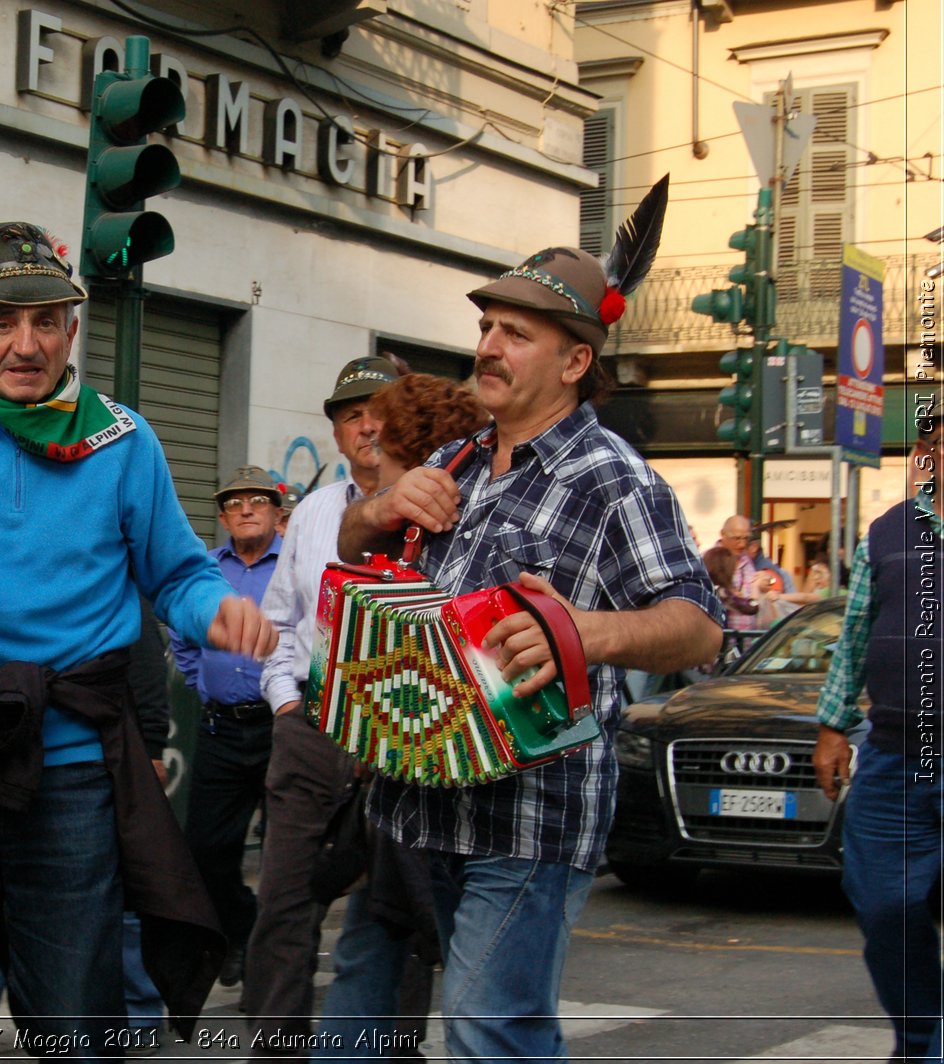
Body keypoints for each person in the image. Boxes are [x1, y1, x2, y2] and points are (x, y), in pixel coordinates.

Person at [0, 221, 275, 1054]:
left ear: (74, 331)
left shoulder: (123, 439)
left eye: (46, 320)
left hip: (74, 771)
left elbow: (178, 574)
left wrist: (215, 612)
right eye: (2, 321)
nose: (26, 343)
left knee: (78, 1016)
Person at [339, 238, 723, 1061]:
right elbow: (353, 557)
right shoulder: (455, 461)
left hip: (530, 819)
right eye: (487, 327)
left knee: (486, 1032)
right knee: (499, 1032)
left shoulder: (614, 479)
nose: (487, 347)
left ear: (576, 359)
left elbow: (700, 624)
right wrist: (375, 511)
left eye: (516, 334)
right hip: (422, 800)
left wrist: (587, 628)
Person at [313, 372, 489, 1064]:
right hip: (397, 792)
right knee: (376, 951)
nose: (370, 454)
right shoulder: (392, 527)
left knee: (459, 975)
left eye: (384, 444)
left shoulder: (443, 536)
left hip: (449, 797)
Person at [245, 355, 398, 1054]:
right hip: (312, 728)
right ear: (336, 432)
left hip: (406, 739)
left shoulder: (446, 505)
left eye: (382, 411)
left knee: (394, 911)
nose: (368, 426)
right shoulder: (310, 513)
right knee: (282, 909)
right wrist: (283, 702)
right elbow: (280, 619)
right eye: (352, 415)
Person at [813, 415, 943, 1064]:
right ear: (929, 453)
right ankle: (920, 1038)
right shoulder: (888, 533)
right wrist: (833, 724)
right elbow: (857, 632)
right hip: (895, 754)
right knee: (883, 904)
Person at [170, 465, 286, 990]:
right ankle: (242, 929)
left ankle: (272, 963)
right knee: (206, 853)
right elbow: (183, 637)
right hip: (220, 730)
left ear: (276, 512)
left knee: (289, 856)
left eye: (257, 501)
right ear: (222, 517)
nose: (245, 510)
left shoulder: (292, 566)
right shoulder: (206, 571)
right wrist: (204, 685)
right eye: (235, 503)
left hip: (279, 729)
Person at [716, 515, 764, 631]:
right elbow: (747, 607)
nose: (742, 544)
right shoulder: (711, 561)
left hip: (746, 641)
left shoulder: (746, 560)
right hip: (723, 641)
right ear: (723, 534)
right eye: (737, 538)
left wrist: (764, 583)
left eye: (746, 538)